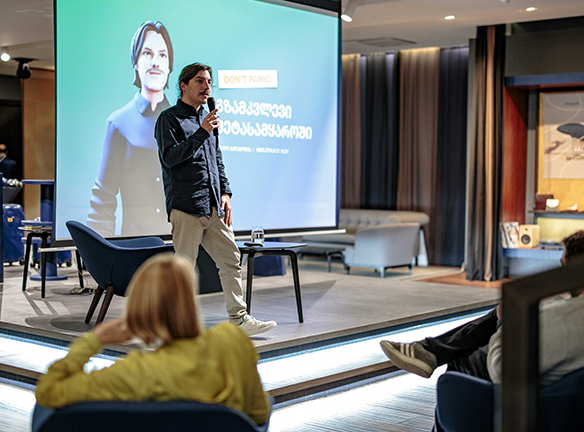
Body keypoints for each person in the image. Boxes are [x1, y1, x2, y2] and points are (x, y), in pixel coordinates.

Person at [34, 254, 271, 429]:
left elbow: (49, 391)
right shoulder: (233, 342)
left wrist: (95, 339)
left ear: (139, 308)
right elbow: (260, 414)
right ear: (190, 299)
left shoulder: (132, 373)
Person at [380, 230, 584, 429]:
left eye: (563, 267)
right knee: (504, 313)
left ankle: (431, 351)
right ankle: (430, 350)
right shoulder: (568, 313)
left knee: (465, 356)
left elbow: (501, 368)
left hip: (525, 400)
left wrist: (506, 323)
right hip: (561, 389)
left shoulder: (565, 318)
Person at [155, 63, 276, 336]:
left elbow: (216, 159)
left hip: (214, 206)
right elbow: (170, 158)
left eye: (209, 81)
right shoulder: (169, 119)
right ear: (183, 85)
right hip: (186, 205)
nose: (206, 86)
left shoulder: (208, 119)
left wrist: (226, 192)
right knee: (183, 270)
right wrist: (202, 132)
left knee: (231, 260)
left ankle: (239, 319)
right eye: (199, 81)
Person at [88, 21, 173, 237]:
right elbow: (103, 198)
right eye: (147, 53)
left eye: (162, 55)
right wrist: (100, 250)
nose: (155, 62)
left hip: (181, 246)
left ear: (169, 66)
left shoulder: (183, 123)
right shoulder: (118, 123)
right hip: (135, 246)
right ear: (135, 62)